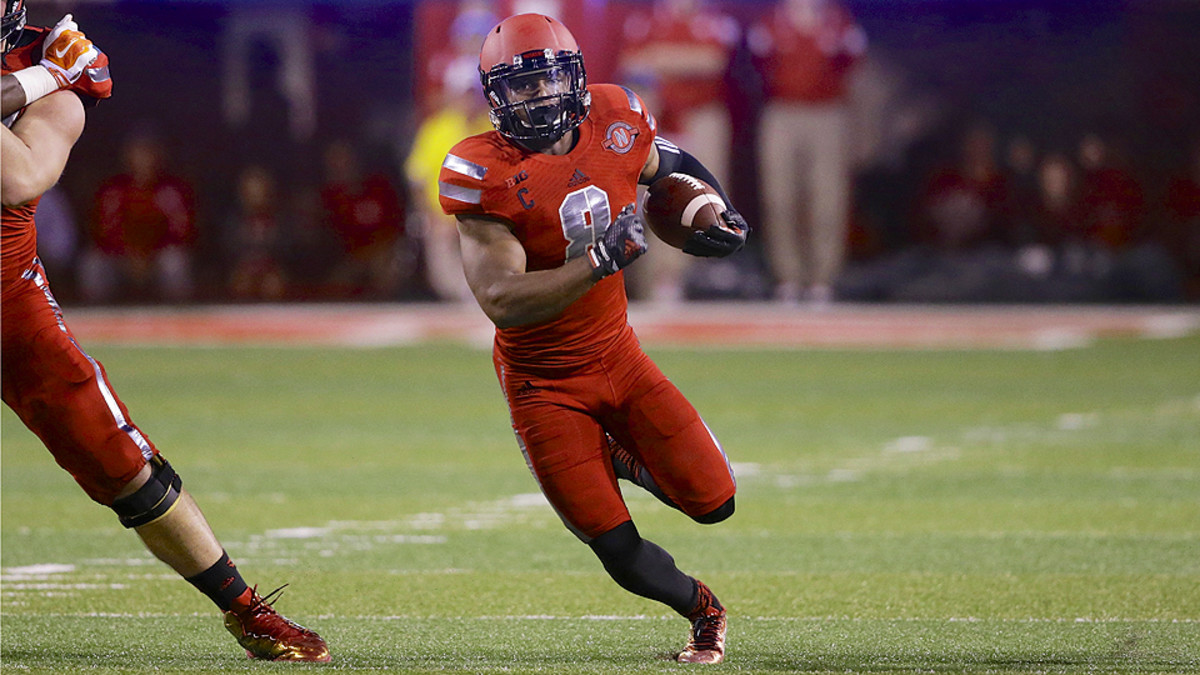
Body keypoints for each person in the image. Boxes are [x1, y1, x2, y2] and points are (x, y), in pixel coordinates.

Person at [0, 3, 329, 661]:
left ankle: (244, 607)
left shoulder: (49, 58)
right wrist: (38, 84)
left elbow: (21, 175)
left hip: (8, 300)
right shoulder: (48, 70)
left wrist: (37, 82)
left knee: (120, 457)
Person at [438, 14, 748, 665]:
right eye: (521, 88)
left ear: (577, 78)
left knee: (717, 501)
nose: (540, 98)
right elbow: (501, 300)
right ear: (494, 96)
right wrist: (598, 261)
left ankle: (624, 457)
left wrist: (713, 206)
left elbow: (669, 165)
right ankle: (702, 608)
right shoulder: (479, 168)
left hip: (619, 356)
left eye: (549, 81)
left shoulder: (617, 115)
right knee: (615, 547)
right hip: (542, 384)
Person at [616, 0, 739, 303]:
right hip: (657, 118)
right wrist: (682, 60)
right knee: (660, 199)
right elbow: (630, 65)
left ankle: (697, 278)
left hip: (701, 117)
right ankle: (659, 280)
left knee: (706, 201)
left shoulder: (713, 21)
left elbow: (712, 59)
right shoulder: (645, 21)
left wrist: (659, 56)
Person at [749, 0, 866, 305]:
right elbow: (758, 67)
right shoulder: (770, 23)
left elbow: (854, 68)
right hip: (783, 113)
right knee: (780, 196)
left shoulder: (840, 23)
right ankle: (787, 276)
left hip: (827, 115)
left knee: (827, 197)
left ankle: (822, 278)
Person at [81, 129, 197, 304]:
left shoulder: (172, 190)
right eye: (139, 153)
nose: (144, 159)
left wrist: (148, 254)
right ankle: (96, 318)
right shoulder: (114, 190)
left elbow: (182, 232)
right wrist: (128, 253)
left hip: (157, 257)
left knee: (175, 262)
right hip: (121, 257)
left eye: (149, 153)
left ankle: (177, 317)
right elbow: (104, 230)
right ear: (128, 157)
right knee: (92, 263)